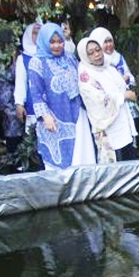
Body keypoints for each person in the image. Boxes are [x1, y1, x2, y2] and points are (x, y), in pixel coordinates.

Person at [28, 22, 95, 169]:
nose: (57, 46)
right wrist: (45, 116)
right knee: (59, 161)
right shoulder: (37, 62)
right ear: (44, 41)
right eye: (52, 42)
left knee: (82, 154)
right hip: (54, 118)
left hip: (77, 113)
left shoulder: (70, 58)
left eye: (60, 42)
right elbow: (36, 93)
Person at [77, 37, 138, 163]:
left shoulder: (109, 68)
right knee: (116, 165)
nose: (97, 54)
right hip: (109, 128)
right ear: (84, 55)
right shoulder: (86, 75)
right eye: (91, 53)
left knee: (129, 160)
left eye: (98, 50)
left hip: (122, 122)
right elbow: (98, 100)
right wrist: (123, 96)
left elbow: (121, 86)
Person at [14, 22, 41, 131]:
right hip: (33, 105)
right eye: (35, 33)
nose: (38, 36)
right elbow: (20, 82)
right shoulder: (23, 58)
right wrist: (19, 103)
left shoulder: (50, 54)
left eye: (41, 33)